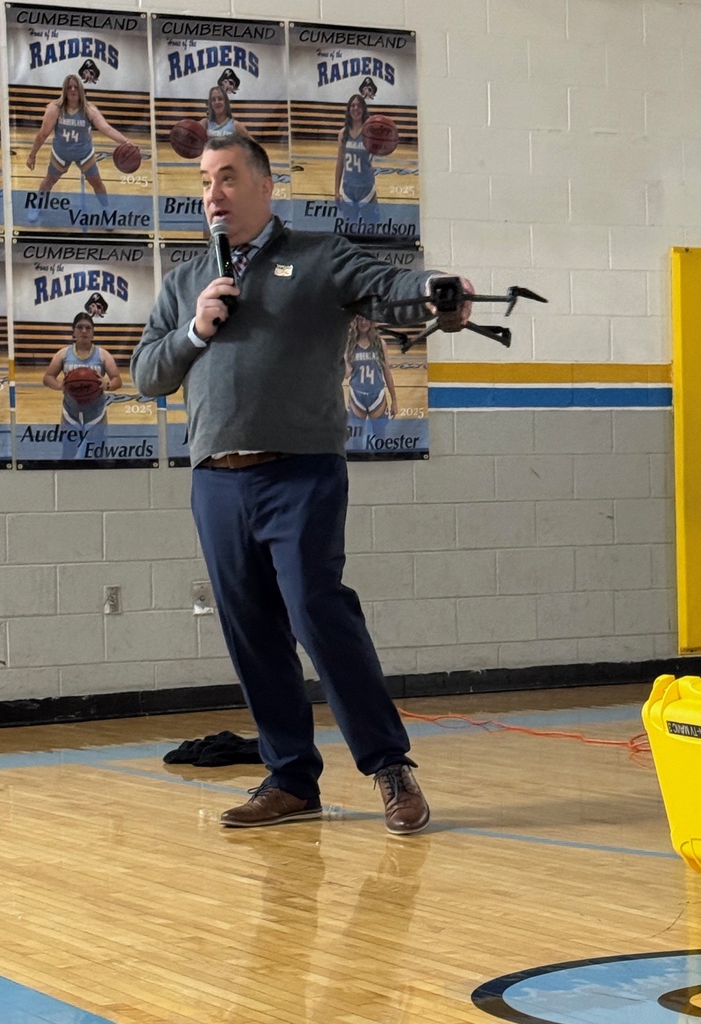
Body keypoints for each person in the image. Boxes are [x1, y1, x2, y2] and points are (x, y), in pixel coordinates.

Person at [131, 134, 471, 835]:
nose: (213, 194)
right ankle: (290, 781)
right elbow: (146, 374)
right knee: (250, 630)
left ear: (265, 186)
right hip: (216, 481)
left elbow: (388, 288)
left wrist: (439, 291)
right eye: (205, 181)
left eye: (228, 178)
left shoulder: (318, 256)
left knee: (318, 612)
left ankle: (389, 765)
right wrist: (195, 330)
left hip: (301, 471)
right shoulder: (187, 280)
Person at [25, 74, 133, 205]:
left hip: (84, 154)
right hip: (61, 153)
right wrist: (32, 155)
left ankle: (106, 209)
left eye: (76, 87)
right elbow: (42, 134)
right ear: (64, 90)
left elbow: (107, 129)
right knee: (49, 181)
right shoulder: (55, 109)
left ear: (81, 89)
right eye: (69, 87)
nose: (72, 90)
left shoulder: (89, 110)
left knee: (97, 182)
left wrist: (126, 142)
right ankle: (37, 206)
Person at [43, 310, 122, 459]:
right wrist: (59, 385)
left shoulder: (103, 355)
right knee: (68, 453)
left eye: (88, 328)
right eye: (80, 327)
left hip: (96, 412)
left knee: (98, 454)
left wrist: (107, 385)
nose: (84, 331)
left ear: (93, 332)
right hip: (70, 412)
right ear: (73, 331)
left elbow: (117, 379)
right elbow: (47, 377)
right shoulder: (63, 354)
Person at [335, 93, 379, 227]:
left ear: (363, 109)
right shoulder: (343, 133)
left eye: (359, 106)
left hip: (366, 188)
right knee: (350, 229)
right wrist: (336, 191)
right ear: (348, 109)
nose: (356, 108)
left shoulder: (370, 132)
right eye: (352, 105)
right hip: (348, 189)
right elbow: (340, 163)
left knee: (372, 228)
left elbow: (381, 149)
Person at [345, 314, 398, 420]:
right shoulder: (349, 344)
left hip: (377, 395)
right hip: (356, 395)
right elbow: (346, 374)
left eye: (367, 319)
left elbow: (387, 372)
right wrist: (344, 358)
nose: (363, 322)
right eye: (360, 319)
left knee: (380, 430)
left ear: (372, 321)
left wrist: (394, 400)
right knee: (356, 431)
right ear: (355, 321)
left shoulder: (380, 344)